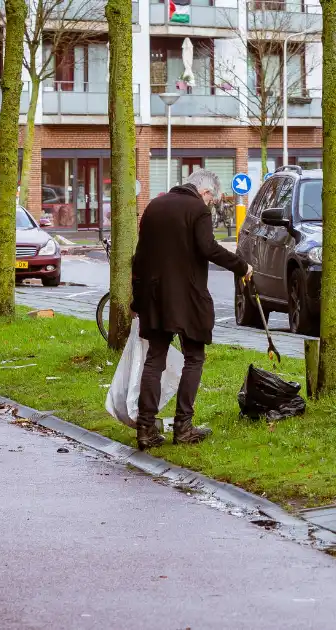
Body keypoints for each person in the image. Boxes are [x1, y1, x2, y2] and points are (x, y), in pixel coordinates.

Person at [130, 170, 253, 450]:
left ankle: (145, 428)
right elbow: (207, 248)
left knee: (155, 359)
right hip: (188, 297)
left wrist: (137, 300)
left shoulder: (154, 206)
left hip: (154, 296)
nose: (210, 205)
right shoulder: (197, 209)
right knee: (194, 358)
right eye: (212, 201)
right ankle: (183, 427)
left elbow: (140, 257)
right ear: (206, 192)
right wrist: (241, 266)